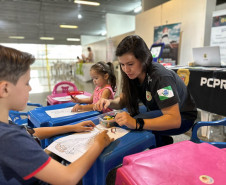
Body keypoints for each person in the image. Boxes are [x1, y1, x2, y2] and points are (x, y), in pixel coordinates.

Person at [0, 45, 113, 185]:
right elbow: (68, 178)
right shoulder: (9, 139)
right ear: (5, 89)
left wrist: (72, 127)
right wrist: (99, 143)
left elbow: (32, 132)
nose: (30, 88)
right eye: (26, 83)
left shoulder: (7, 128)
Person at [94, 35, 197, 147]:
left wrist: (137, 124)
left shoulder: (160, 77)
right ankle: (162, 141)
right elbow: (124, 100)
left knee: (133, 122)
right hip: (160, 109)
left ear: (143, 59)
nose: (126, 70)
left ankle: (160, 147)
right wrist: (109, 102)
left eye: (130, 64)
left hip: (183, 116)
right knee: (124, 116)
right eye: (122, 65)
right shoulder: (133, 74)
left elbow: (174, 120)